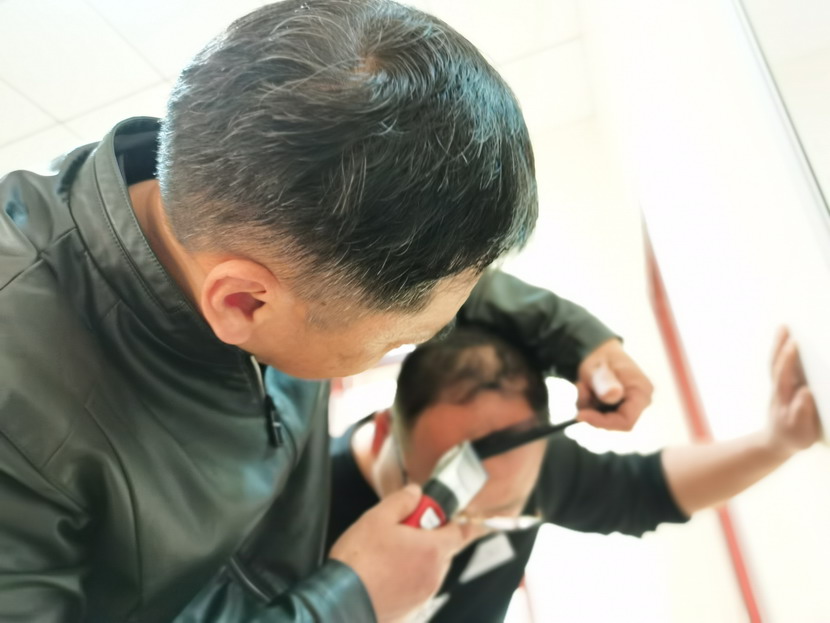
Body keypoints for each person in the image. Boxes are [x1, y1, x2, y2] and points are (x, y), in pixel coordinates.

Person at [0, 1, 657, 622]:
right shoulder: (19, 434)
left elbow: (416, 282)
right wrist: (349, 600)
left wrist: (578, 341)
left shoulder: (247, 203)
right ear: (244, 302)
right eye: (399, 342)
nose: (413, 346)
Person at [328, 325, 821, 623]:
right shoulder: (308, 509)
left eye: (500, 512)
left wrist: (778, 442)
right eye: (446, 499)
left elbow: (645, 490)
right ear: (385, 430)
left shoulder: (528, 461)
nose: (467, 532)